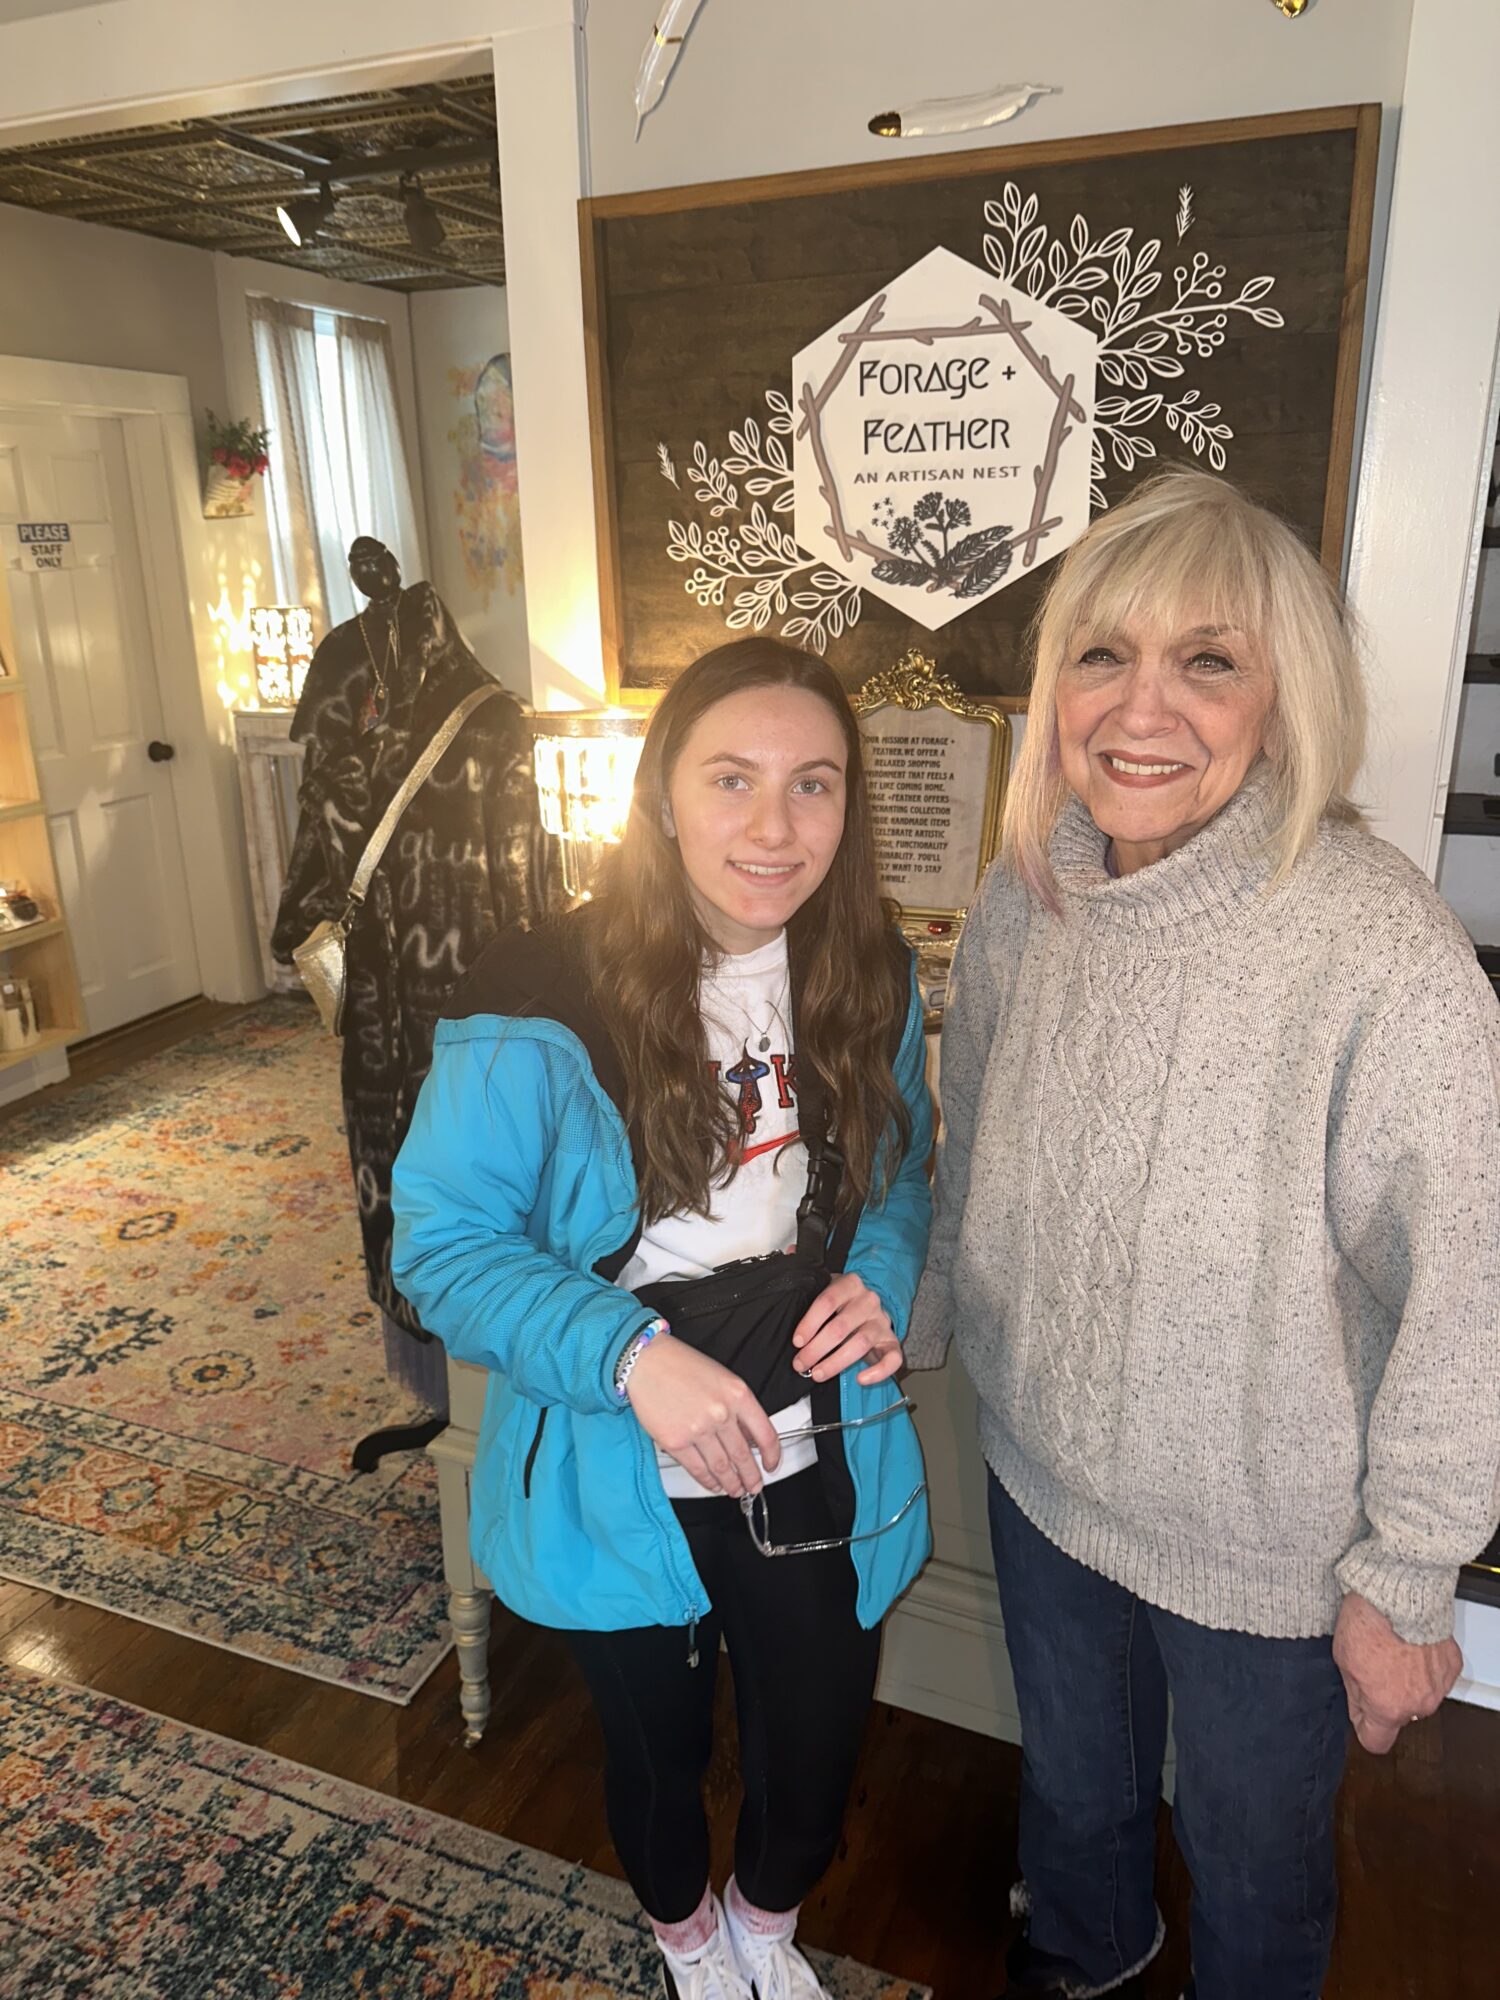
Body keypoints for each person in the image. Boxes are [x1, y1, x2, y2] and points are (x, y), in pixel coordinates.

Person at [907, 470, 1500, 2000]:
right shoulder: (1026, 899)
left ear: (1283, 700)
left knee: (1254, 1869)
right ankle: (1089, 1960)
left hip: (1262, 1548)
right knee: (1075, 1799)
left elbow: (1464, 1296)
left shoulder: (1384, 953)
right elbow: (977, 1142)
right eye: (1102, 654)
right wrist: (928, 1304)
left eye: (1209, 661)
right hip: (1039, 1473)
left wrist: (1410, 1571)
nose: (1140, 708)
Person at [392, 638, 933, 2000]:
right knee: (654, 1748)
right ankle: (690, 1945)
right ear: (663, 794)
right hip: (612, 1446)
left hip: (808, 1428)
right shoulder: (534, 990)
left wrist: (882, 1271)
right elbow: (442, 1249)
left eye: (813, 783)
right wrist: (634, 1356)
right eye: (732, 779)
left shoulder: (870, 967)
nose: (774, 826)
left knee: (817, 1735)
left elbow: (903, 1165)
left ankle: (765, 1928)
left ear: (848, 804)